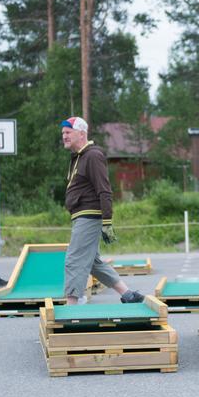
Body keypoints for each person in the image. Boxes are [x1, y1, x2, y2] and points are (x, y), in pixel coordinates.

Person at [60, 116, 144, 305]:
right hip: (81, 216)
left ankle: (72, 305)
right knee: (93, 262)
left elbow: (104, 189)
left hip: (89, 216)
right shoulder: (78, 157)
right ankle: (128, 294)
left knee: (74, 260)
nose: (64, 136)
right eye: (63, 133)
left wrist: (107, 221)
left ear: (81, 134)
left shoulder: (93, 155)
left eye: (68, 132)